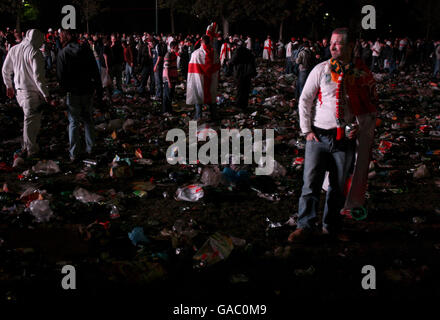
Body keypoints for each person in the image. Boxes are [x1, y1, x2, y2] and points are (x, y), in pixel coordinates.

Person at [288, 27, 377, 242]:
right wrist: (306, 131)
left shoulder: (361, 74)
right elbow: (305, 100)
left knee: (337, 187)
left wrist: (358, 125)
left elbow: (369, 105)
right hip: (318, 137)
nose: (332, 47)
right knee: (310, 185)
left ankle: (332, 227)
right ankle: (305, 226)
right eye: (331, 43)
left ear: (350, 46)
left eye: (338, 43)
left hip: (344, 140)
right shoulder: (320, 69)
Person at [2, 29, 50, 158]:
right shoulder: (35, 52)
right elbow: (38, 77)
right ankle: (31, 150)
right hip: (31, 92)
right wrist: (46, 95)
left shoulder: (14, 49)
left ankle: (26, 146)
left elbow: (5, 70)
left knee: (28, 120)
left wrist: (9, 86)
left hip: (19, 92)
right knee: (31, 122)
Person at [57, 29, 102, 162]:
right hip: (87, 89)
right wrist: (98, 88)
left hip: (73, 92)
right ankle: (91, 147)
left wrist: (63, 93)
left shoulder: (63, 53)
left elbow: (61, 76)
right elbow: (95, 70)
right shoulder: (86, 50)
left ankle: (74, 152)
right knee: (88, 120)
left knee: (73, 122)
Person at [186, 35, 220, 121]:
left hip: (199, 79)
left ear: (201, 42)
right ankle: (214, 116)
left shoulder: (195, 54)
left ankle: (198, 116)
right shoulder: (215, 53)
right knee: (211, 97)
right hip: (211, 80)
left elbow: (191, 69)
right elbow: (218, 67)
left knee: (199, 95)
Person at [228, 40, 256, 109]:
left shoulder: (237, 51)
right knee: (246, 90)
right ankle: (245, 105)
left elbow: (232, 61)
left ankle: (239, 105)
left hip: (239, 73)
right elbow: (253, 63)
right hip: (247, 74)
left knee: (240, 90)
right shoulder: (249, 52)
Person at [162, 41, 178, 115]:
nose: (178, 48)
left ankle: (169, 110)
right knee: (167, 95)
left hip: (173, 78)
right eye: (177, 47)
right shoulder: (168, 55)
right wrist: (168, 81)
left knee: (170, 95)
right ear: (173, 47)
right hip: (168, 79)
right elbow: (166, 69)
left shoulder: (174, 55)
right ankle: (166, 111)